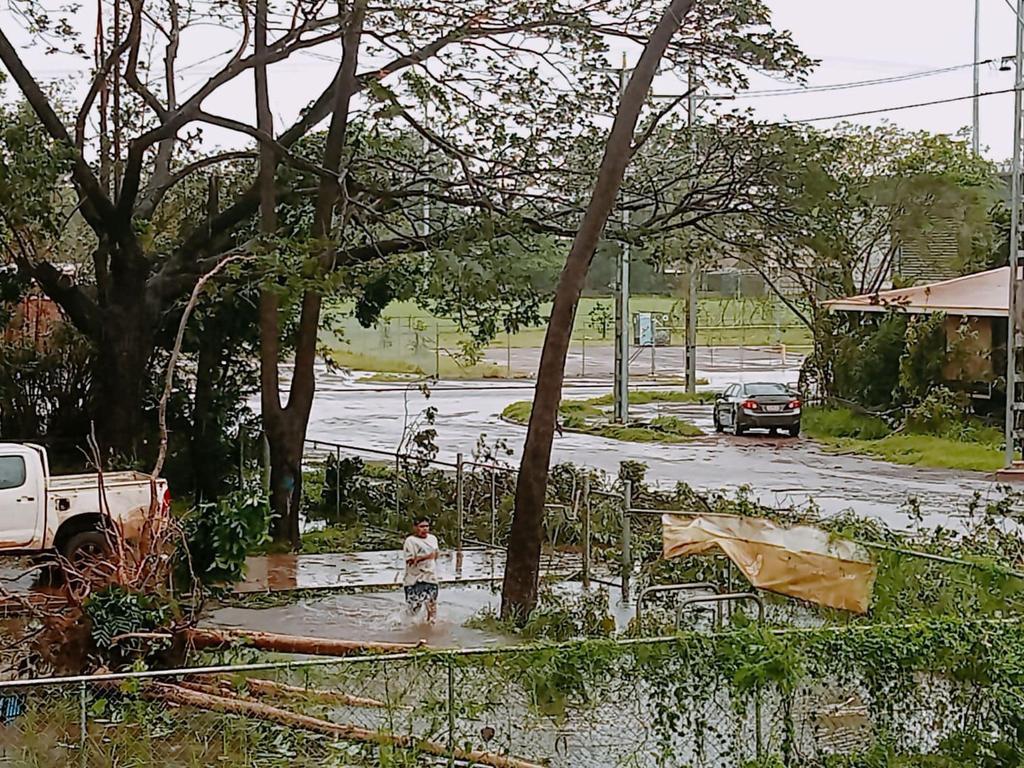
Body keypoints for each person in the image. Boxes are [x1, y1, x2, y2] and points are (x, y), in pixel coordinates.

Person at [403, 516, 439, 623]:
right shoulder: (410, 541)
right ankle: (408, 625)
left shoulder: (433, 539)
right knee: (414, 609)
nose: (425, 529)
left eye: (427, 526)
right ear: (415, 528)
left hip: (430, 577)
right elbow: (410, 561)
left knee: (432, 605)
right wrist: (426, 557)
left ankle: (430, 626)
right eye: (421, 526)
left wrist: (432, 558)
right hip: (414, 579)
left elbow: (436, 554)